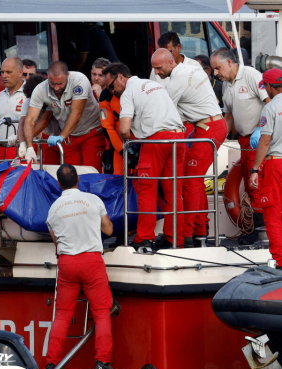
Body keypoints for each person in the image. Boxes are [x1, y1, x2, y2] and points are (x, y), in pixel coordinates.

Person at [104, 62, 185, 250]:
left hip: (155, 140)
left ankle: (144, 238)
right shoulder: (154, 84)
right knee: (174, 193)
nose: (112, 91)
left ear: (121, 78)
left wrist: (130, 144)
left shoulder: (128, 93)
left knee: (145, 189)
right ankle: (177, 239)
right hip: (177, 138)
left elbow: (123, 129)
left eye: (111, 86)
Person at [151, 49, 227, 248]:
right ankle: (199, 230)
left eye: (158, 69)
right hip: (209, 126)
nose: (156, 73)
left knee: (190, 182)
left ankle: (186, 234)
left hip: (208, 128)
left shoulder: (177, 81)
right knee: (195, 181)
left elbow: (162, 109)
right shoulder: (191, 69)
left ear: (170, 62)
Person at [46, 164, 114, 369]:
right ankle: (102, 362)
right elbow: (108, 229)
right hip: (91, 262)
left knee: (62, 315)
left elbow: (57, 244)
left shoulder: (53, 210)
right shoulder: (93, 200)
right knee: (102, 314)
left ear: (59, 184)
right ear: (78, 180)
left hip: (67, 263)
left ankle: (51, 364)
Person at [211, 48, 270, 245]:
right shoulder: (226, 86)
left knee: (256, 186)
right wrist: (217, 143)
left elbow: (270, 103)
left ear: (229, 63)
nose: (215, 73)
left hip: (259, 139)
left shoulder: (252, 76)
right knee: (249, 183)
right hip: (243, 141)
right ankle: (257, 231)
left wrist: (261, 129)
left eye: (217, 68)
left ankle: (262, 234)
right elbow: (228, 117)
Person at [25, 61, 105, 172]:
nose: (57, 88)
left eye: (60, 83)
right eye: (53, 83)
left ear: (68, 75)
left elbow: (76, 113)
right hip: (69, 136)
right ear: (47, 78)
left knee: (91, 172)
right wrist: (29, 146)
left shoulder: (79, 80)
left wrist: (61, 136)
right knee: (70, 174)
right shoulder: (40, 89)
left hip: (90, 131)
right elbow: (30, 119)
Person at [250, 69, 282, 267]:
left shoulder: (270, 109)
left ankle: (280, 260)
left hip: (276, 163)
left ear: (269, 87)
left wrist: (255, 169)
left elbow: (265, 140)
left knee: (273, 213)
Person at [8, 74, 60, 164]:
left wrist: (22, 138)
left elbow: (44, 121)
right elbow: (22, 123)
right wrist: (22, 143)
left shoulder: (51, 98)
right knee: (50, 167)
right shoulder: (28, 100)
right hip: (48, 137)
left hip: (62, 136)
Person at [0, 57, 26, 162]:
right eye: (2, 72)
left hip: (22, 149)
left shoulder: (30, 94)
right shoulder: (0, 95)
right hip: (1, 150)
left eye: (8, 72)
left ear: (20, 72)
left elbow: (38, 127)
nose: (4, 76)